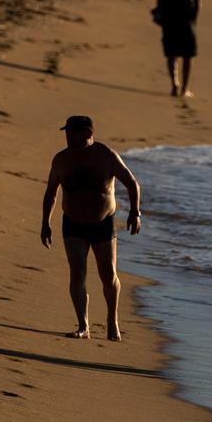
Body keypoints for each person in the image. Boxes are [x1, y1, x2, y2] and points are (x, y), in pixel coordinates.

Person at [40, 115, 142, 341]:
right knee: (77, 274)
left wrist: (135, 212)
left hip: (103, 224)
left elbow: (132, 183)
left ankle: (111, 321)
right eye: (67, 133)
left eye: (72, 133)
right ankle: (83, 325)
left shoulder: (106, 156)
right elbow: (51, 193)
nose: (68, 137)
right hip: (73, 223)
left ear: (88, 133)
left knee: (108, 275)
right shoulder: (61, 159)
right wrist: (45, 223)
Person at [154, 0, 202, 98]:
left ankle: (174, 84)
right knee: (188, 55)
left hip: (169, 17)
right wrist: (194, 19)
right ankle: (185, 88)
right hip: (185, 19)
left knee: (171, 53)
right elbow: (198, 2)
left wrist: (160, 14)